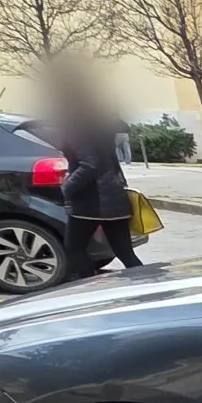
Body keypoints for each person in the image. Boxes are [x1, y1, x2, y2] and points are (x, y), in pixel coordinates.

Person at [59, 112, 144, 282]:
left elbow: (90, 166)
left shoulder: (78, 129)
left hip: (91, 201)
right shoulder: (103, 125)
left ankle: (91, 289)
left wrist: (67, 187)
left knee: (75, 248)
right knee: (125, 252)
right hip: (114, 195)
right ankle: (149, 287)